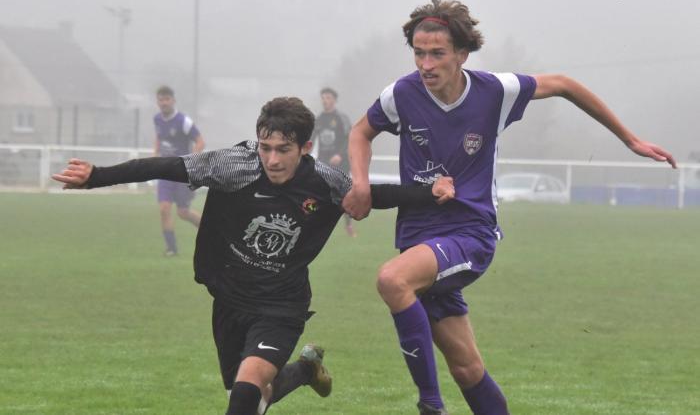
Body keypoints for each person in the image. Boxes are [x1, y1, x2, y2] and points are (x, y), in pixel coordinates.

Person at [342, 0, 677, 415]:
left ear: (462, 54)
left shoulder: (494, 92)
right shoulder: (402, 94)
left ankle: (430, 405)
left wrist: (629, 140)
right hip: (418, 241)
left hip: (469, 234)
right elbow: (360, 133)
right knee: (467, 368)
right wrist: (359, 183)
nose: (426, 64)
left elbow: (564, 84)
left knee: (393, 281)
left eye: (437, 54)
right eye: (419, 53)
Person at [53, 96, 455, 415]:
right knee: (250, 392)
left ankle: (291, 370)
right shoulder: (235, 166)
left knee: (244, 398)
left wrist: (429, 192)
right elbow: (166, 166)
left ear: (305, 147)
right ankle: (304, 370)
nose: (273, 159)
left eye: (284, 149)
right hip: (230, 300)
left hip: (282, 305)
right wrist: (97, 177)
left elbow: (375, 196)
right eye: (266, 147)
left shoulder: (326, 182)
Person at [153, 85, 205, 256]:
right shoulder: (157, 120)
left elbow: (200, 142)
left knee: (183, 212)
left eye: (167, 99)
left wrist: (190, 162)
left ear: (173, 101)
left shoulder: (183, 121)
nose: (164, 103)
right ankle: (171, 249)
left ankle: (210, 231)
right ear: (158, 101)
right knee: (164, 209)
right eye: (161, 99)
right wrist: (154, 156)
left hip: (182, 174)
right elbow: (159, 138)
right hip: (164, 172)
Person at [312, 87, 356, 237]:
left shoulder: (340, 118)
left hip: (341, 162)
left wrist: (339, 154)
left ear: (334, 100)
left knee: (344, 193)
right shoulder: (318, 119)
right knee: (318, 191)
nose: (325, 100)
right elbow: (311, 139)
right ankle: (316, 222)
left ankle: (349, 224)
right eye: (323, 98)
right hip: (323, 162)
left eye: (328, 98)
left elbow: (350, 138)